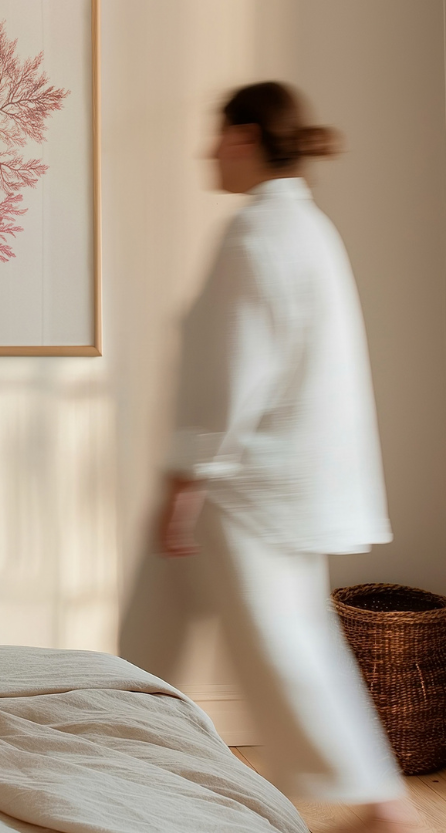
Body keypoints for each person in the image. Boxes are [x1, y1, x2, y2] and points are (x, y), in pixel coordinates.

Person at [119, 82, 424, 832]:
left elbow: (233, 373)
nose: (208, 151)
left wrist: (186, 479)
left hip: (246, 486)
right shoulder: (305, 226)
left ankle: (388, 807)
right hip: (271, 480)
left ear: (246, 138)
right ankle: (127, 756)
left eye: (218, 135)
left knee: (287, 646)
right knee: (161, 623)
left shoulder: (256, 234)